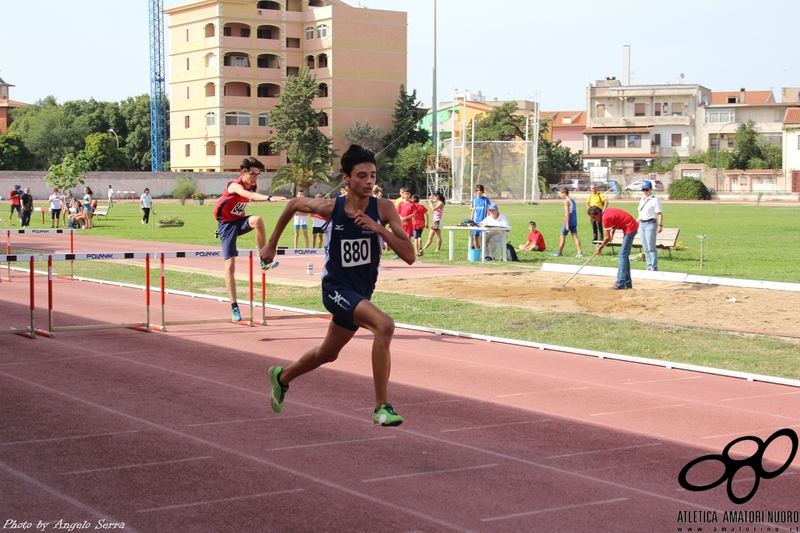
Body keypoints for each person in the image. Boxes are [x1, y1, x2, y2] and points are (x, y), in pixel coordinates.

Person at [260, 145, 415, 427]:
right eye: (362, 176)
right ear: (346, 178)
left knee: (328, 353)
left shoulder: (384, 208)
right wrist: (272, 243)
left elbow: (409, 255)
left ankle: (282, 377)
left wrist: (379, 228)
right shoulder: (333, 208)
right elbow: (293, 205)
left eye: (373, 175)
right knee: (385, 325)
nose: (369, 182)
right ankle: (382, 407)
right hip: (335, 289)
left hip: (360, 293)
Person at [213, 157, 287, 323]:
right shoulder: (234, 185)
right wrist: (269, 198)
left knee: (257, 220)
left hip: (239, 221)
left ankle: (263, 260)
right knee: (230, 264)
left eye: (258, 175)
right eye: (253, 174)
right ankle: (234, 306)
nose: (255, 177)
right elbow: (248, 195)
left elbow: (251, 194)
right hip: (226, 225)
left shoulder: (254, 185)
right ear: (243, 172)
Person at [589, 206, 638, 290]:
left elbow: (607, 238)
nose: (594, 220)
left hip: (630, 228)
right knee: (624, 255)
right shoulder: (606, 212)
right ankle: (627, 283)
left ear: (599, 213)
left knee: (622, 255)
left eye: (594, 217)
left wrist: (600, 248)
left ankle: (621, 283)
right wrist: (612, 233)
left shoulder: (605, 218)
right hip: (630, 226)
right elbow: (615, 220)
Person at [637, 180, 663, 272]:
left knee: (651, 246)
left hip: (650, 224)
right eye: (643, 190)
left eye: (646, 190)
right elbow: (641, 213)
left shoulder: (654, 200)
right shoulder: (642, 199)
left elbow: (659, 213)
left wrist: (660, 225)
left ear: (651, 189)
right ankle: (648, 265)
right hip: (642, 224)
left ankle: (654, 266)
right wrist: (637, 222)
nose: (645, 192)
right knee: (645, 247)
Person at [552, 188, 583, 258]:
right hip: (574, 220)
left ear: (564, 193)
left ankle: (559, 252)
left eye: (561, 193)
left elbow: (568, 213)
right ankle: (579, 252)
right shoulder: (573, 200)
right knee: (575, 236)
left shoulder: (566, 201)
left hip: (568, 221)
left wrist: (567, 224)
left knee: (562, 236)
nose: (561, 195)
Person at [470, 184, 491, 250]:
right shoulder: (474, 200)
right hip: (475, 222)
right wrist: (471, 220)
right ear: (475, 192)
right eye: (477, 190)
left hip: (483, 222)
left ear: (482, 191)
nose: (479, 192)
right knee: (475, 237)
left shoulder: (485, 200)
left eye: (480, 190)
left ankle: (484, 252)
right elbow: (472, 209)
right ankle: (477, 251)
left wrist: (487, 220)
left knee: (482, 237)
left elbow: (488, 210)